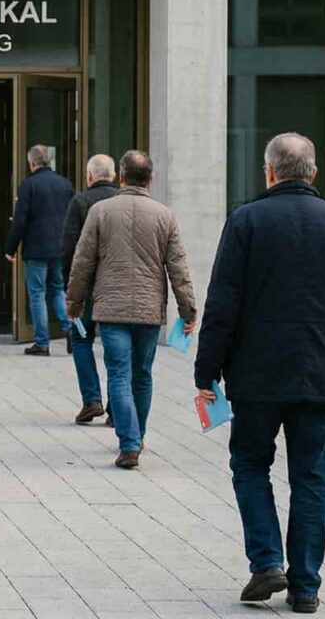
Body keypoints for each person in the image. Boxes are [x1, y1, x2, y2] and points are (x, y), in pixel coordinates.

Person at [194, 134, 325, 614]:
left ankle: (266, 562)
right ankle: (305, 587)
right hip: (321, 371)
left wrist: (206, 371)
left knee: (249, 464)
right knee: (311, 477)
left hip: (256, 373)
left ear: (270, 172)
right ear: (313, 172)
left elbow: (222, 304)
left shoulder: (246, 221)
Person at [65, 150, 195, 469]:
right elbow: (178, 268)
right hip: (149, 309)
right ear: (151, 179)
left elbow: (83, 261)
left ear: (121, 177)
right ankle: (138, 435)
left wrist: (74, 302)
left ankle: (129, 443)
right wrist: (188, 311)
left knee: (119, 374)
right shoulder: (165, 216)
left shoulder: (99, 212)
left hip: (112, 308)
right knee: (143, 374)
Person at [60, 153, 117, 425]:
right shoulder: (122, 202)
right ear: (114, 176)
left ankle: (92, 399)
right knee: (116, 345)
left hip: (86, 286)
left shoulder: (80, 202)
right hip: (115, 287)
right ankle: (117, 407)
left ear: (89, 176)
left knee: (81, 339)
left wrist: (69, 287)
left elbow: (68, 248)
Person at [5, 144, 77, 355]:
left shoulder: (29, 185)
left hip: (36, 248)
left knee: (37, 294)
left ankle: (42, 343)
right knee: (58, 289)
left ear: (32, 162)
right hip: (60, 247)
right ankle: (70, 328)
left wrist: (11, 248)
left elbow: (20, 220)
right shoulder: (65, 184)